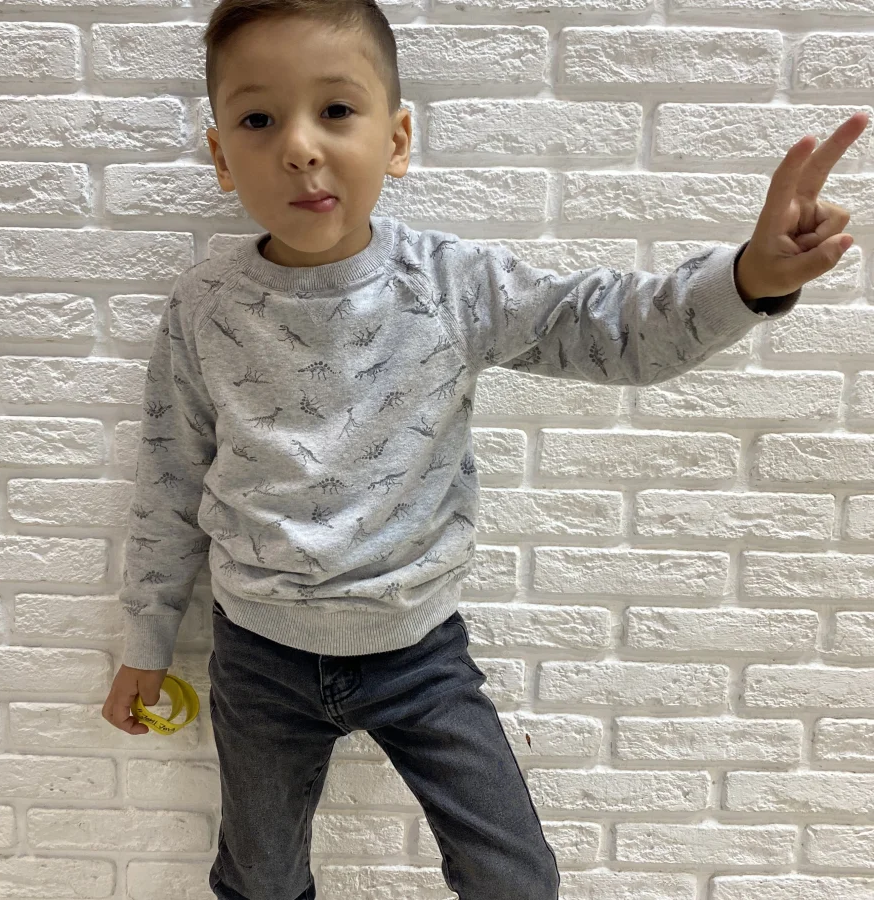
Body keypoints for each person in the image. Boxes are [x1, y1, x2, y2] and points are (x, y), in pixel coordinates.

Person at [102, 0, 867, 896]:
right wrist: (145, 641)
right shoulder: (205, 306)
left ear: (397, 139)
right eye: (259, 119)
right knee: (259, 881)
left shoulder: (449, 283)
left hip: (417, 653)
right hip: (259, 654)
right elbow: (170, 476)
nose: (300, 147)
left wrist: (748, 280)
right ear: (220, 156)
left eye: (336, 110)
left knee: (514, 878)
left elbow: (604, 327)